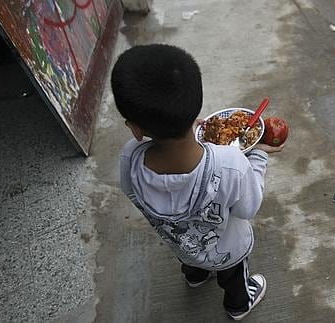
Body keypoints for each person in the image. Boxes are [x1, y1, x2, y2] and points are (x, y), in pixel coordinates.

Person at [111, 44, 284, 320]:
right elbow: (247, 209)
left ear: (134, 126)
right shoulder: (230, 163)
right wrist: (259, 156)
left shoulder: (129, 159)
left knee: (191, 257)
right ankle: (238, 305)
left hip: (182, 246)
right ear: (196, 108)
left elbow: (134, 194)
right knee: (234, 277)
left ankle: (195, 276)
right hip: (228, 251)